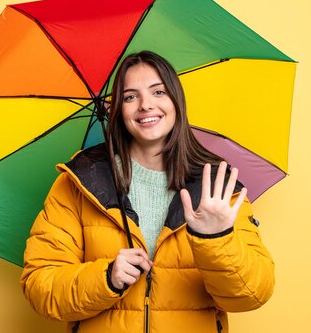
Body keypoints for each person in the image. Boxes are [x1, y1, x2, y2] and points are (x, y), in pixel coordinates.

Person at [20, 51, 274, 333]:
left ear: (176, 101)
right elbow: (40, 287)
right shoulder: (78, 182)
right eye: (130, 97)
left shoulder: (216, 186)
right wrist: (106, 277)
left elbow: (252, 295)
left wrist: (216, 239)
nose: (145, 105)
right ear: (117, 110)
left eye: (158, 92)